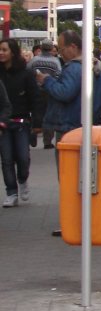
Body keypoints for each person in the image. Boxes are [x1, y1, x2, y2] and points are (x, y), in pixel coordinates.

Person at [35, 31, 101, 235]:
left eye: (62, 48)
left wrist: (46, 81)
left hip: (69, 128)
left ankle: (73, 223)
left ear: (73, 47)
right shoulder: (94, 67)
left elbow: (64, 93)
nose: (59, 52)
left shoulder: (75, 68)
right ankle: (84, 221)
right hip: (86, 126)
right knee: (83, 178)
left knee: (69, 179)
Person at [0, 38, 43, 207]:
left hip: (21, 122)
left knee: (23, 157)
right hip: (3, 123)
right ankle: (11, 192)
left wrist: (37, 122)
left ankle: (23, 179)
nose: (1, 53)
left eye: (4, 50)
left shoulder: (25, 73)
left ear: (13, 52)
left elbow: (36, 98)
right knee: (7, 159)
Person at [27, 39, 62, 149]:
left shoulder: (34, 60)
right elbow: (59, 75)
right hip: (49, 91)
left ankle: (33, 131)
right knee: (49, 115)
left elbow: (27, 72)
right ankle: (47, 141)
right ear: (51, 48)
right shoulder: (55, 61)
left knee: (36, 113)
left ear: (41, 48)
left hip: (36, 90)